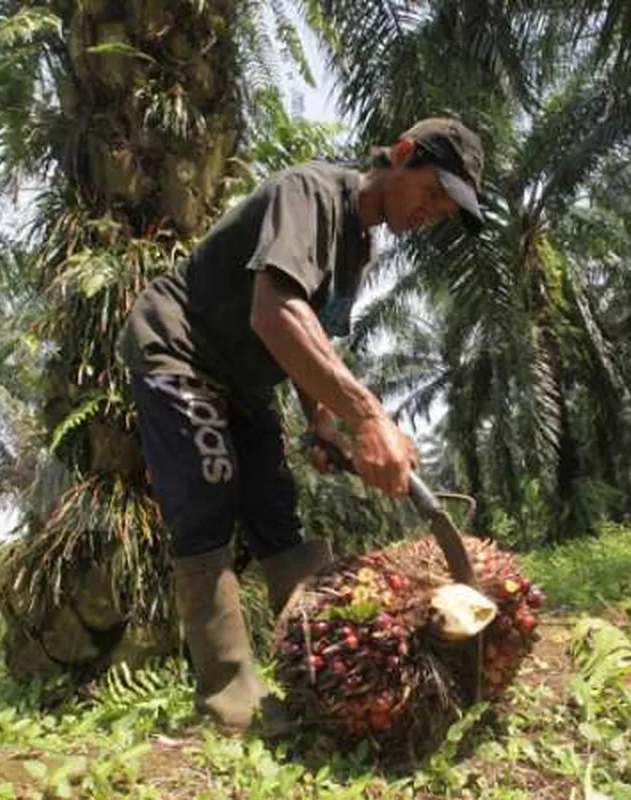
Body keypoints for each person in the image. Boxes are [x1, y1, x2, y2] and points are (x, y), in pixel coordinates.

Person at [119, 117, 486, 734]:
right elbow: (275, 311)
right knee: (209, 496)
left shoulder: (359, 249)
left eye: (447, 208)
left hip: (246, 376)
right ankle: (229, 699)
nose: (435, 212)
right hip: (181, 348)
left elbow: (312, 338)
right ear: (400, 156)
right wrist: (367, 415)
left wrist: (323, 422)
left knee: (276, 512)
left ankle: (323, 667)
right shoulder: (310, 192)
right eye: (432, 193)